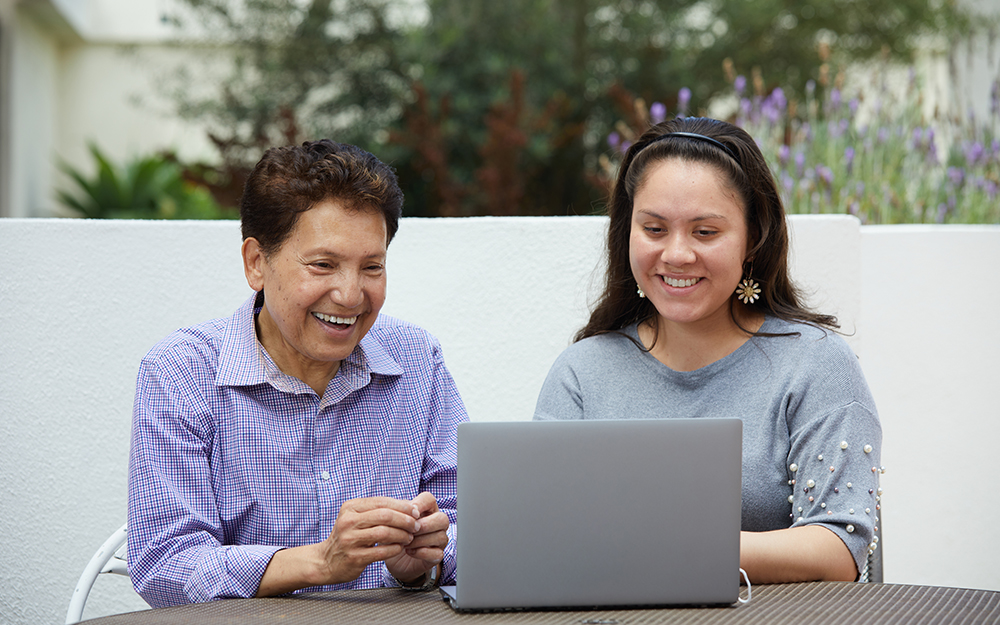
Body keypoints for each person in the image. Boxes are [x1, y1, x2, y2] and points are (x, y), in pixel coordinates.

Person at [533, 117, 882, 583]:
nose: (676, 254)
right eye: (654, 229)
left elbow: (839, 549)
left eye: (705, 232)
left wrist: (672, 541)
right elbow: (539, 537)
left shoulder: (817, 365)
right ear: (627, 234)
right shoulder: (580, 372)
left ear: (753, 239)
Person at [128, 140, 467, 608]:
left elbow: (473, 529)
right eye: (323, 265)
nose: (350, 295)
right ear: (256, 263)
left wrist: (423, 562)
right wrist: (322, 563)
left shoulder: (417, 360)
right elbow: (165, 563)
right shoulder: (182, 373)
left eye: (372, 267)